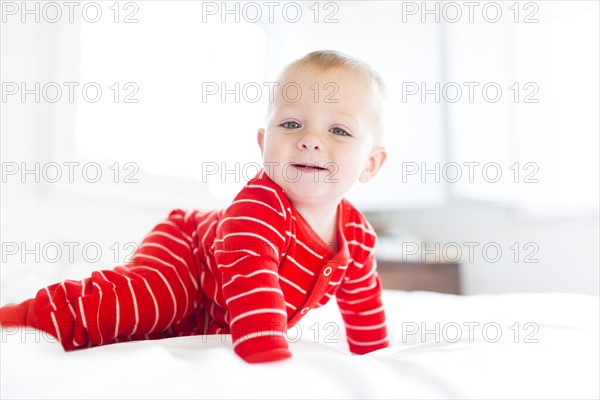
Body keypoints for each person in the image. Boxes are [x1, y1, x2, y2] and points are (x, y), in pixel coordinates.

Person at [0, 50, 390, 363]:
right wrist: (266, 350)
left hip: (212, 305)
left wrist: (377, 358)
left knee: (166, 326)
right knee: (144, 302)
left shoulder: (355, 235)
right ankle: (24, 315)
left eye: (338, 130)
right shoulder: (260, 207)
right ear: (262, 142)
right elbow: (252, 279)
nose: (310, 139)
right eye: (290, 124)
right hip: (187, 250)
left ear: (370, 163)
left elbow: (363, 305)